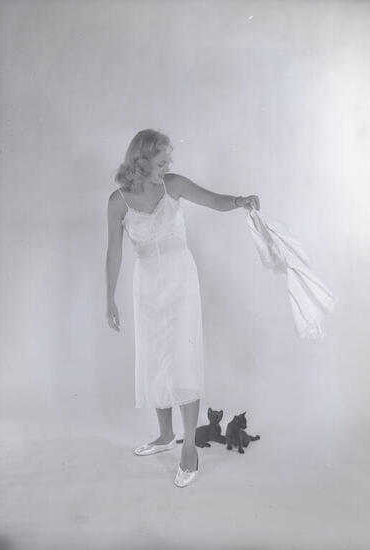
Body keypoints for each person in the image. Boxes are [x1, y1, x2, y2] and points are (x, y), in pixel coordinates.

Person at [106, 129, 260, 487]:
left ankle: (189, 445)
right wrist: (108, 298)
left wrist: (240, 200)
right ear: (141, 161)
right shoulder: (117, 201)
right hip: (146, 286)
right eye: (161, 162)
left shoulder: (172, 185)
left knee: (182, 358)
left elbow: (213, 200)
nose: (168, 166)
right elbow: (113, 252)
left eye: (168, 161)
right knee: (154, 358)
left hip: (181, 283)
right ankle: (165, 435)